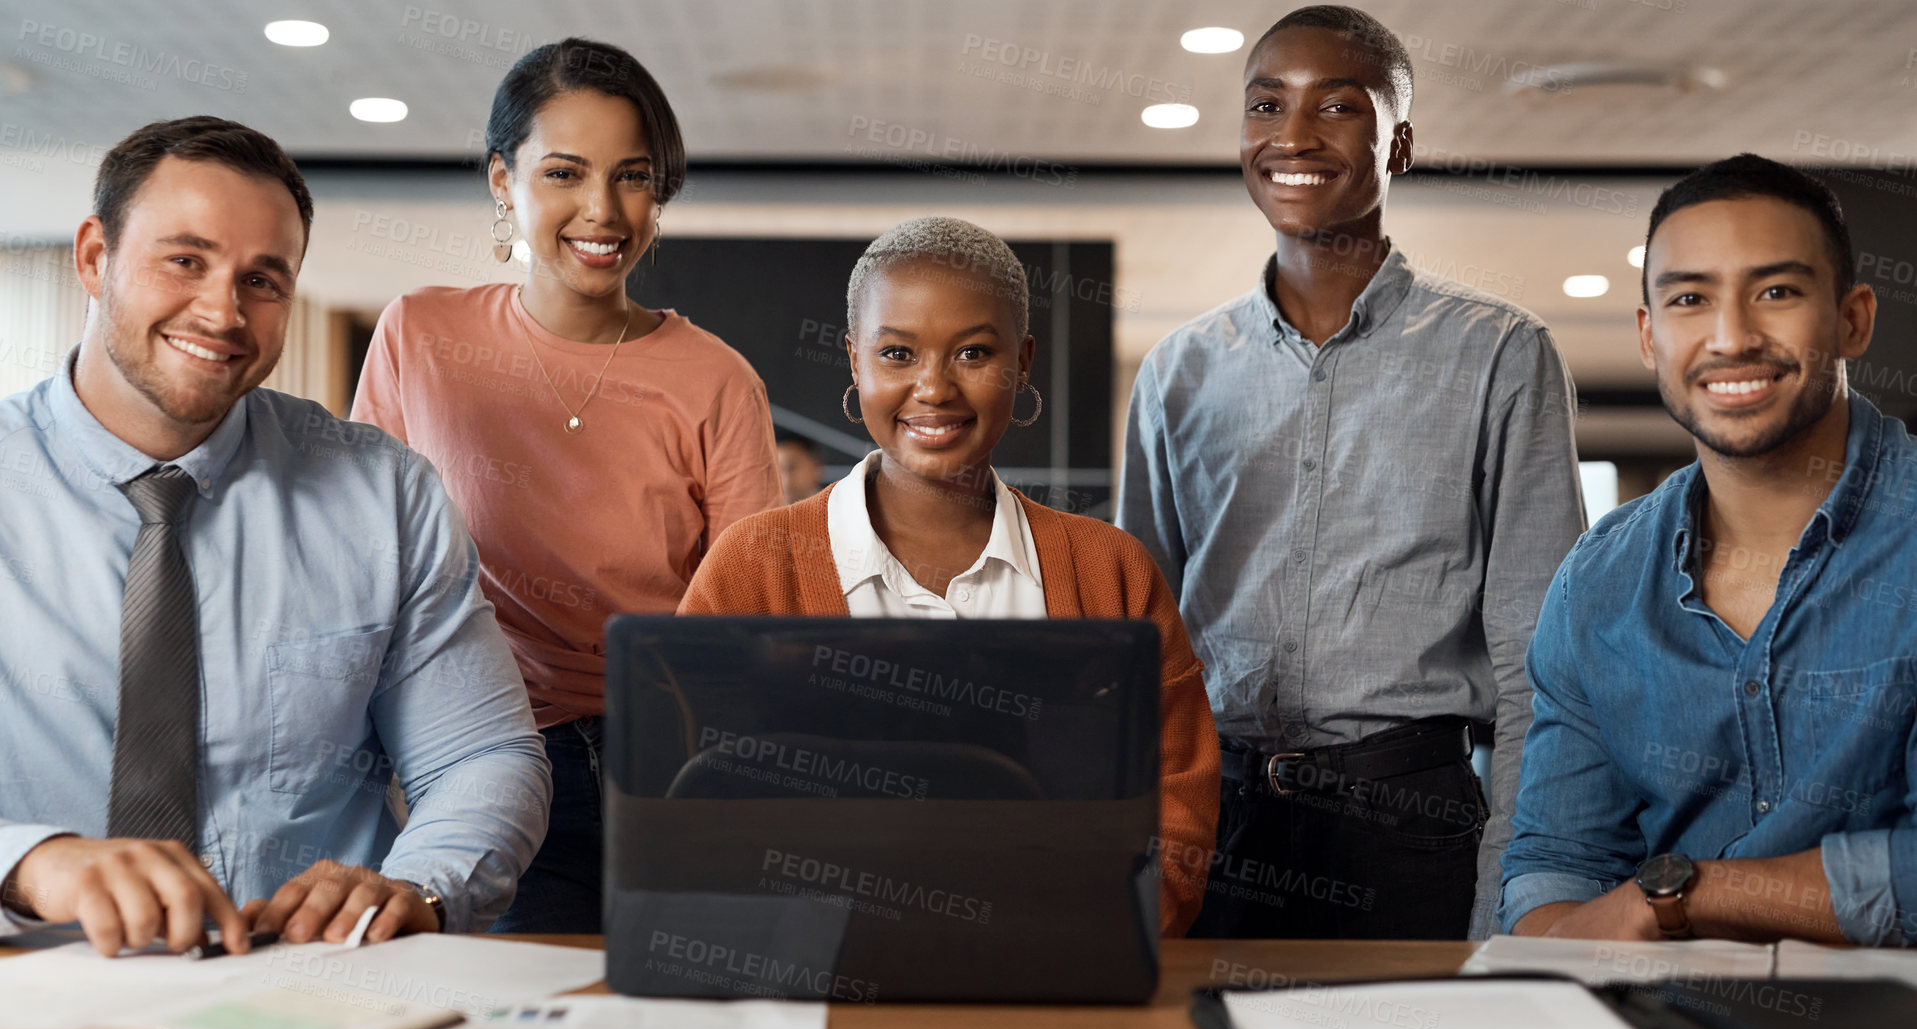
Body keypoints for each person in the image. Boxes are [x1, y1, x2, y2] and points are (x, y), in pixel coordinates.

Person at [0, 116, 550, 956]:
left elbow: (482, 754)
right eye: (184, 260)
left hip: (315, 988)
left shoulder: (382, 493)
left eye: (263, 279)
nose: (222, 310)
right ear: (93, 258)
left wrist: (419, 884)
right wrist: (32, 862)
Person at [1117, 5, 1585, 940]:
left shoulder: (1499, 354)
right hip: (1221, 819)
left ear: (1396, 143)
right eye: (1264, 105)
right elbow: (1142, 651)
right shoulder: (1179, 371)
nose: (1291, 135)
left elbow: (1541, 663)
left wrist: (1513, 885)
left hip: (1407, 824)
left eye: (1336, 107)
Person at [679, 217, 1221, 935]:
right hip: (809, 981)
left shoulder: (1107, 570)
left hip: (1054, 972)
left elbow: (1176, 796)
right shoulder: (753, 565)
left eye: (972, 352)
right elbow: (681, 800)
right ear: (854, 360)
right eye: (897, 353)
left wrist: (1109, 935)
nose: (932, 388)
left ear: (1023, 361)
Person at [351, 38, 782, 933]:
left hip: (673, 763)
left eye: (633, 176)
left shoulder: (715, 378)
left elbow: (753, 615)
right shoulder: (422, 338)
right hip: (485, 759)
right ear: (503, 182)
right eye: (564, 173)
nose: (603, 209)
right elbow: (363, 557)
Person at [1501, 154, 1911, 945]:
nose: (1731, 336)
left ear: (1852, 319)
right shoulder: (1598, 579)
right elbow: (1557, 859)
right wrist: (1550, 966)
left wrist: (1681, 895)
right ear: (1650, 335)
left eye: (1776, 292)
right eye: (1690, 298)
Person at [777, 432, 826, 503]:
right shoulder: (764, 511)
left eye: (792, 467)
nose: (785, 479)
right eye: (778, 470)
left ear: (816, 467)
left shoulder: (837, 509)